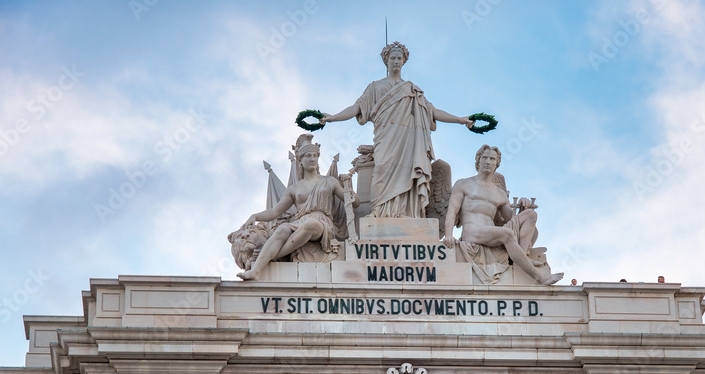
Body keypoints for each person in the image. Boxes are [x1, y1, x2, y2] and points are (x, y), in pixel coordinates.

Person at [318, 42, 473, 218]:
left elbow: (433, 112)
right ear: (386, 60)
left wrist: (460, 120)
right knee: (382, 167)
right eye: (393, 58)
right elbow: (356, 108)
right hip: (386, 137)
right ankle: (377, 211)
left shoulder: (412, 90)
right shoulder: (375, 87)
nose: (396, 61)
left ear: (404, 61)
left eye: (400, 58)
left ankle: (409, 214)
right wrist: (332, 117)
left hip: (409, 140)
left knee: (408, 170)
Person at [442, 145, 562, 285]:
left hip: (492, 234)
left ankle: (521, 258)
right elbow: (452, 212)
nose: (488, 161)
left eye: (492, 159)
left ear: (496, 164)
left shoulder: (499, 193)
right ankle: (539, 277)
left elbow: (512, 219)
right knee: (507, 234)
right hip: (472, 232)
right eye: (484, 157)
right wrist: (448, 235)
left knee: (530, 215)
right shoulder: (463, 184)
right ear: (478, 161)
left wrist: (524, 206)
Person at [233, 140, 346, 281]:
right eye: (308, 156)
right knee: (282, 229)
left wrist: (348, 191)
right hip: (300, 221)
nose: (312, 159)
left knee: (310, 225)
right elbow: (274, 212)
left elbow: (353, 202)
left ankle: (272, 255)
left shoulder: (330, 181)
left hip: (321, 223)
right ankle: (255, 271)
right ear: (300, 161)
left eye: (315, 156)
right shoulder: (294, 189)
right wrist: (255, 216)